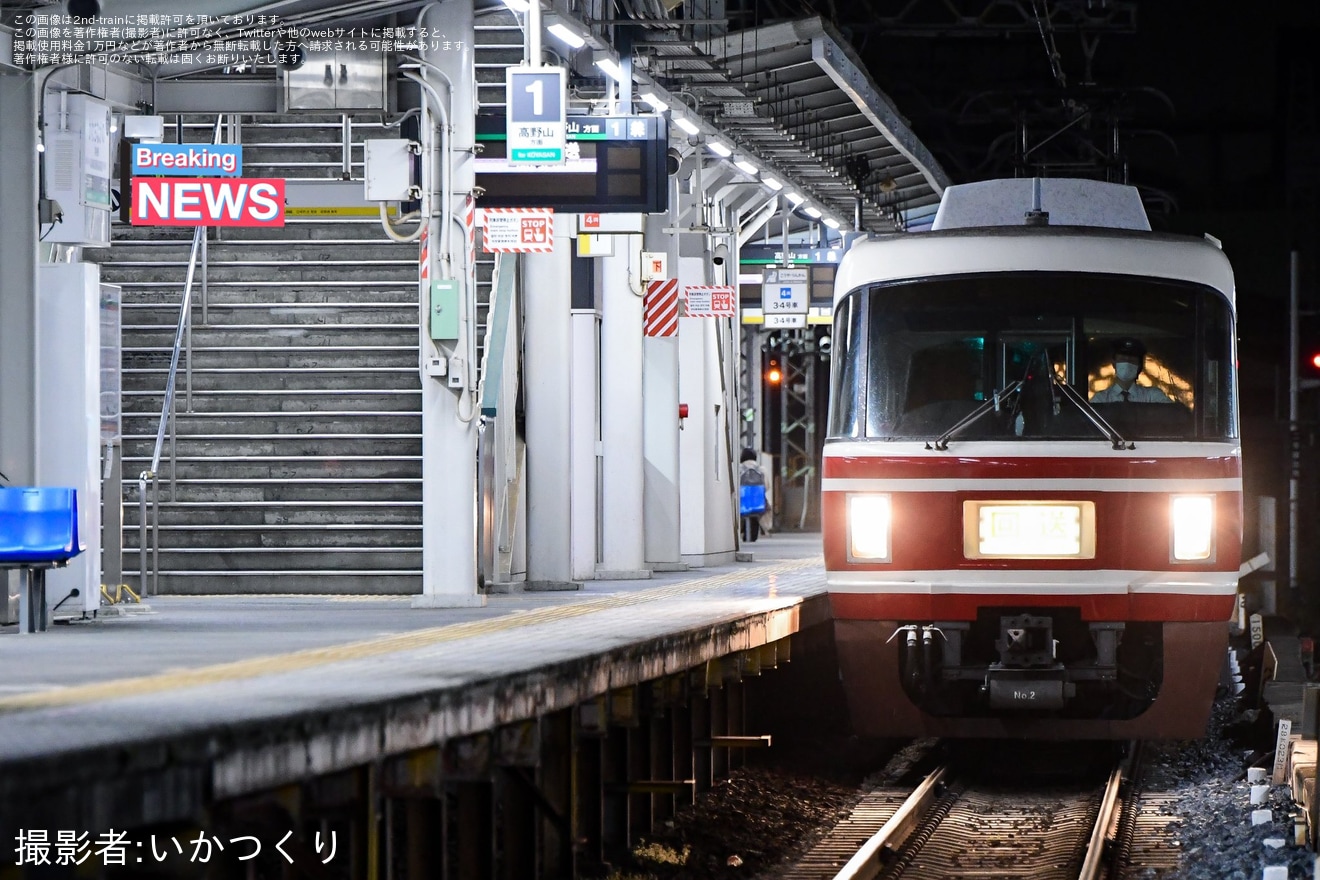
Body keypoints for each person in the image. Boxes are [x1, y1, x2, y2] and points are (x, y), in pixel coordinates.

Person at [1089, 338, 1174, 403]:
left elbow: (1172, 416)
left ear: (1139, 366)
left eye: (1132, 360)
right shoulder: (1101, 399)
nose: (1127, 364)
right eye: (1122, 359)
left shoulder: (1153, 396)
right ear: (1114, 364)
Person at [738, 449, 767, 542]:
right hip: (758, 503)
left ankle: (741, 530)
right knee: (764, 508)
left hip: (742, 502)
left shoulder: (739, 468)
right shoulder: (761, 469)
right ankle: (761, 529)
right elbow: (767, 486)